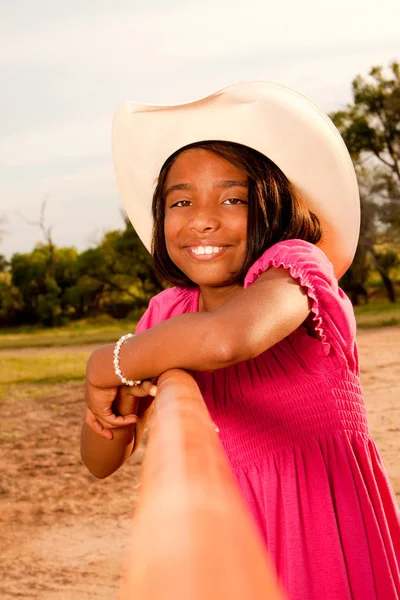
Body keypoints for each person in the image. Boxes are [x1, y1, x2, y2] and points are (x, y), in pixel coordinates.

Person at [81, 82, 400, 599]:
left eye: (234, 198)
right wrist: (103, 402)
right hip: (224, 544)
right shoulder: (167, 313)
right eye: (180, 201)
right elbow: (101, 461)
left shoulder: (294, 272)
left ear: (272, 208)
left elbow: (228, 340)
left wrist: (104, 364)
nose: (203, 219)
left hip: (326, 536)